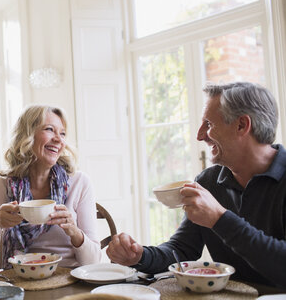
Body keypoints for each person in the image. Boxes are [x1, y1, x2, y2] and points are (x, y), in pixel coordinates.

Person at [107, 81, 286, 288]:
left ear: (242, 125)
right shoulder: (208, 182)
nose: (200, 135)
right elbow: (182, 250)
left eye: (208, 124)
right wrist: (139, 256)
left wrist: (220, 219)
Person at [0, 105, 101, 270]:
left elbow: (93, 262)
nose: (59, 140)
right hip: (18, 282)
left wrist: (74, 231)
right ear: (27, 136)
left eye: (62, 133)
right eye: (50, 129)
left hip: (67, 281)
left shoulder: (80, 183)